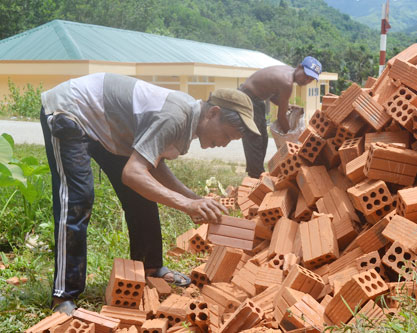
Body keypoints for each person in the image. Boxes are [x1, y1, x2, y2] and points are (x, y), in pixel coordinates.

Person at [40, 73, 260, 314]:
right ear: (213, 113)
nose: (224, 144)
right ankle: (63, 295)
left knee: (141, 196)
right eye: (227, 135)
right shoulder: (174, 117)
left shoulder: (186, 119)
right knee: (78, 199)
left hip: (107, 127)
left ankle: (151, 268)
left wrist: (195, 199)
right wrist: (186, 204)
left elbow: (151, 166)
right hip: (72, 111)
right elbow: (132, 173)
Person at [239, 56, 322, 178]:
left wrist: (286, 105)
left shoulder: (287, 72)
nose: (306, 80)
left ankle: (256, 174)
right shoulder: (287, 82)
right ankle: (255, 177)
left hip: (256, 99)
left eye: (311, 79)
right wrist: (292, 140)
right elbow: (281, 117)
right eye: (306, 75)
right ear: (299, 67)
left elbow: (271, 94)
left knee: (262, 138)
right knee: (255, 139)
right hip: (247, 99)